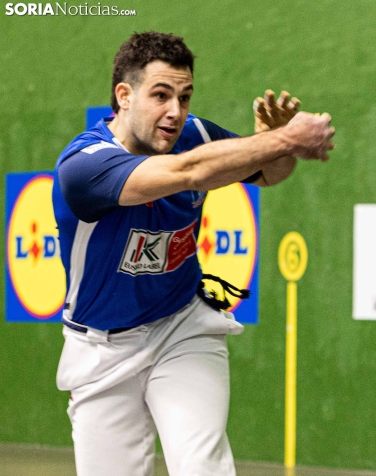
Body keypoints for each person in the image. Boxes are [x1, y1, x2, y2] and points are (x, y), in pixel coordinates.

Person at [51, 31, 334, 476]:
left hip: (182, 329)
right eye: (160, 95)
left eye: (184, 96)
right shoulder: (85, 166)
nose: (176, 112)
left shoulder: (194, 133)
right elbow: (190, 171)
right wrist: (285, 139)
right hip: (100, 349)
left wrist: (278, 140)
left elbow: (269, 171)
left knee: (202, 466)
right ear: (124, 96)